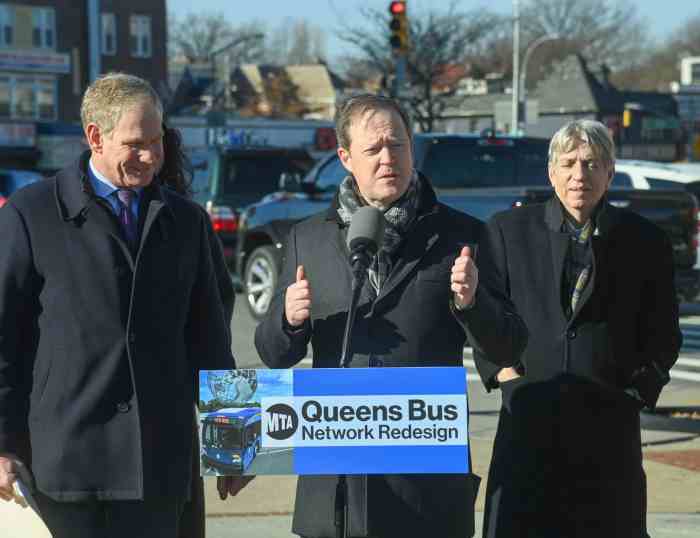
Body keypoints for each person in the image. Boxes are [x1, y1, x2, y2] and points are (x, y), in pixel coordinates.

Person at [255, 93, 528, 538]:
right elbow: (273, 354)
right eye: (373, 149)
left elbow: (509, 346)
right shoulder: (307, 240)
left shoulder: (463, 236)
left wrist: (473, 304)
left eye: (397, 144)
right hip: (339, 495)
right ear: (345, 157)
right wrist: (288, 319)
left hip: (426, 494)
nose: (388, 159)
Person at [0, 72, 246, 538]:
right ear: (96, 136)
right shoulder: (29, 215)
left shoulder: (188, 223)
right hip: (63, 470)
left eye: (157, 141)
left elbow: (212, 341)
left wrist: (235, 445)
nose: (152, 156)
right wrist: (2, 444)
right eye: (136, 144)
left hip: (159, 468)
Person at [473, 119, 681, 538]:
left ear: (610, 172)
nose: (578, 175)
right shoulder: (508, 231)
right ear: (551, 172)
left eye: (591, 164)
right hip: (528, 421)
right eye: (568, 163)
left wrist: (637, 391)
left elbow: (663, 332)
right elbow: (486, 314)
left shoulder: (645, 240)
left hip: (609, 431)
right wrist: (505, 376)